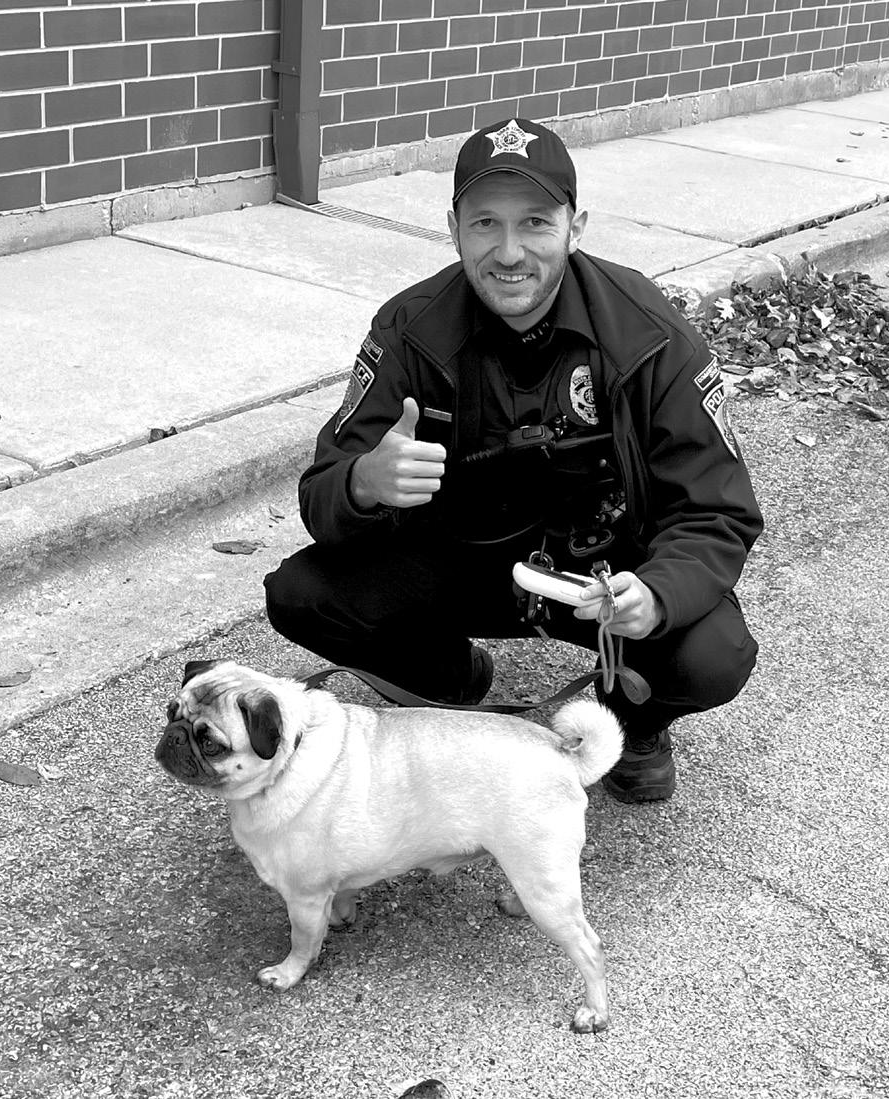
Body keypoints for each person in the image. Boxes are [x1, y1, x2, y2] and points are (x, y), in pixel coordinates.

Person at [264, 117, 763, 803]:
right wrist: (362, 481)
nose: (508, 252)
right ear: (454, 229)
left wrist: (658, 594)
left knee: (712, 653)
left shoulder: (650, 336)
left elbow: (717, 509)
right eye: (484, 224)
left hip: (600, 576)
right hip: (461, 560)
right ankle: (447, 680)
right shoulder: (410, 330)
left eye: (534, 223)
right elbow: (321, 494)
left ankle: (628, 723)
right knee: (301, 595)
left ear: (575, 227)